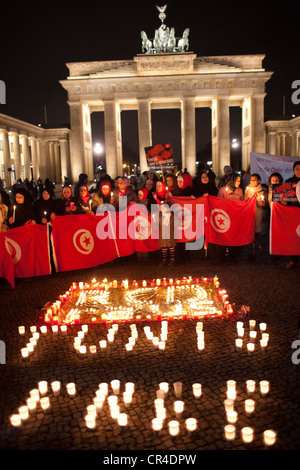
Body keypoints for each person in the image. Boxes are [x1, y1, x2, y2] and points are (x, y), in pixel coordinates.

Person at [217, 173, 244, 261]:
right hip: (224, 218)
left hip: (235, 218)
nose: (239, 183)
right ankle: (222, 255)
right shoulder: (222, 190)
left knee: (233, 236)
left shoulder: (240, 191)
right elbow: (218, 203)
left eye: (239, 181)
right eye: (237, 181)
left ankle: (232, 255)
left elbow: (242, 203)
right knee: (224, 237)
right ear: (231, 181)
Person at [244, 173, 266, 261]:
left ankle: (256, 252)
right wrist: (246, 200)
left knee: (257, 235)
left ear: (259, 181)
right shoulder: (247, 190)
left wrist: (261, 203)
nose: (252, 181)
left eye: (254, 180)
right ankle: (249, 253)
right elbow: (245, 202)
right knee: (250, 234)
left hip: (258, 214)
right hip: (249, 214)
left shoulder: (262, 191)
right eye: (251, 180)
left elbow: (262, 204)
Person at [285, 161, 300, 268]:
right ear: (293, 170)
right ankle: (293, 260)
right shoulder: (288, 182)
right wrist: (284, 202)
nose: (299, 171)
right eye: (297, 169)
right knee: (293, 236)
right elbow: (284, 196)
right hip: (292, 212)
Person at [158, 201, 176, 266]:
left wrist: (169, 217)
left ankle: (172, 260)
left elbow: (176, 224)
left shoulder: (172, 216)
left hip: (170, 234)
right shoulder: (160, 216)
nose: (162, 209)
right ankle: (164, 260)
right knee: (164, 247)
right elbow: (158, 224)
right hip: (162, 234)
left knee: (171, 247)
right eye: (161, 208)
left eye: (163, 208)